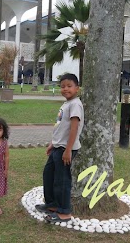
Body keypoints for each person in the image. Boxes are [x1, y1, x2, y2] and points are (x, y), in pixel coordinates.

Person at [35, 73, 84, 223]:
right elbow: (61, 127)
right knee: (48, 174)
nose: (65, 89)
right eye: (62, 86)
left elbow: (74, 128)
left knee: (62, 180)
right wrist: (53, 143)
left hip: (66, 149)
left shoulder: (75, 104)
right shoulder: (66, 104)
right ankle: (52, 204)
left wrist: (68, 150)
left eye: (69, 86)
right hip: (58, 147)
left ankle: (64, 212)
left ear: (77, 88)